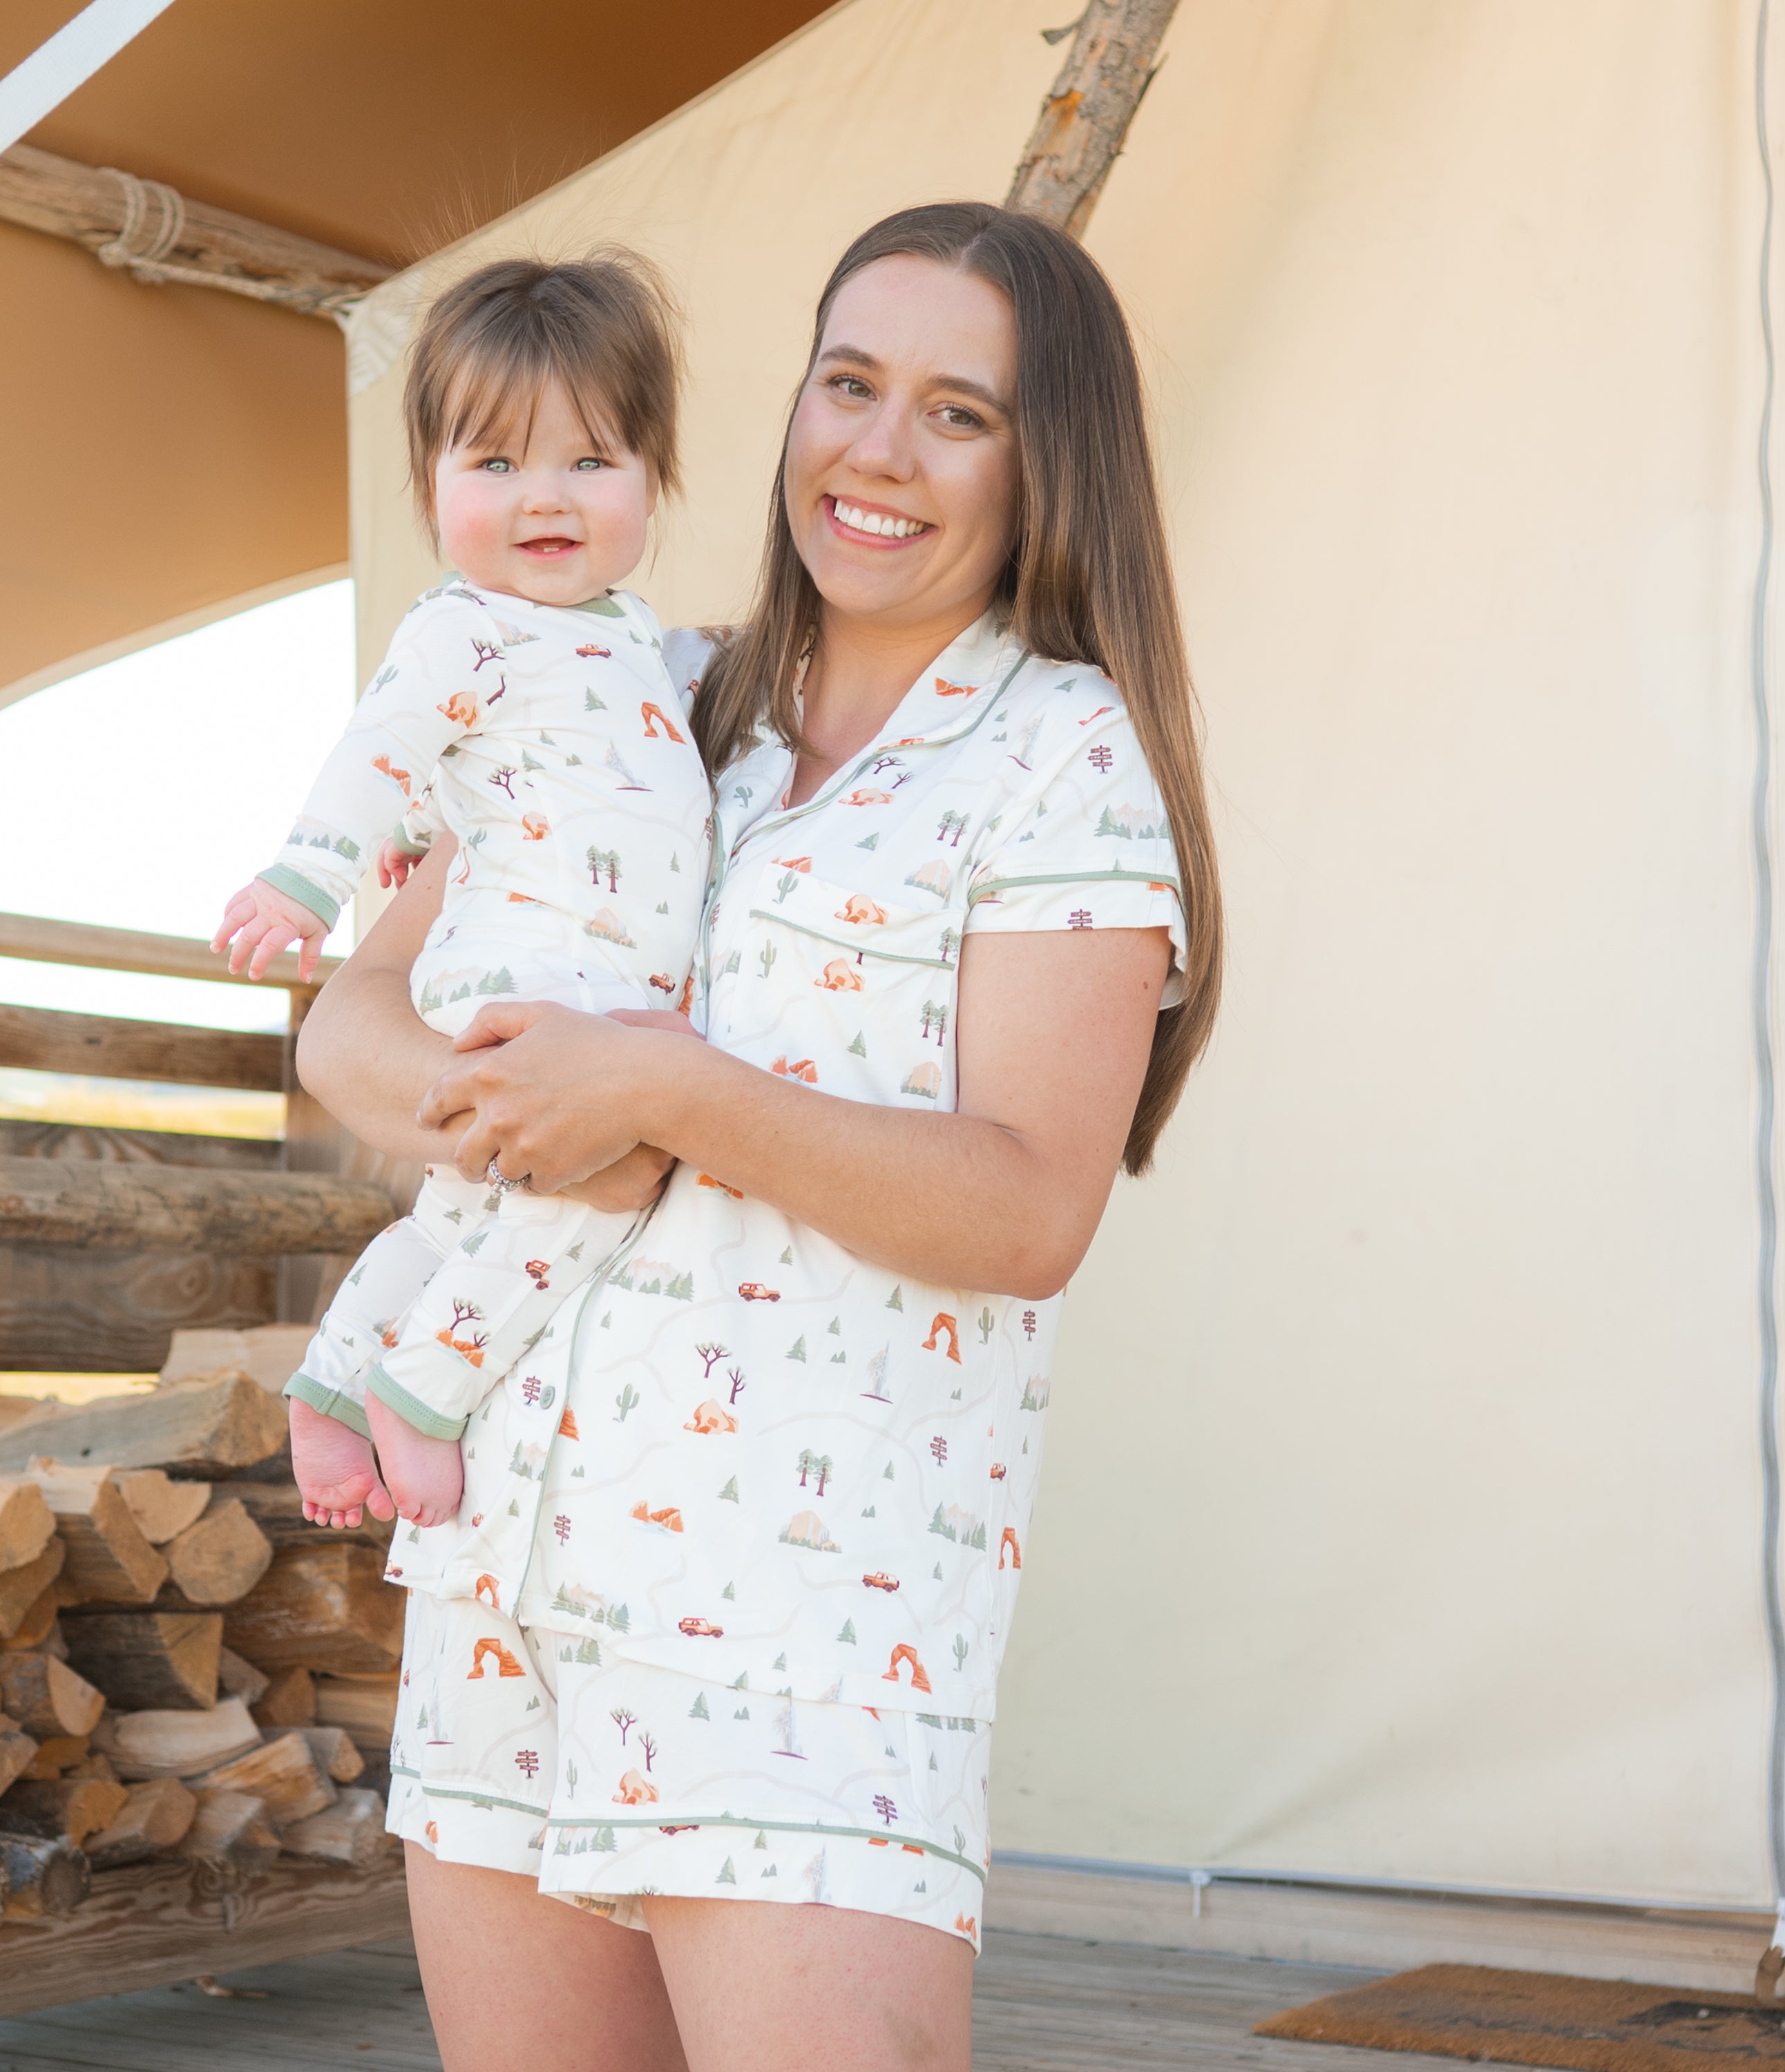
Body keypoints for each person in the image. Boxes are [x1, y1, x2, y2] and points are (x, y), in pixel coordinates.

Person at [298, 202, 1221, 2072]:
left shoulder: (1060, 760)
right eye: (849, 383)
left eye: (959, 412)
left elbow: (1032, 1205)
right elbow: (351, 1022)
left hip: (804, 1634)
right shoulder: (628, 688)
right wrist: (521, 1120)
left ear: (1055, 464)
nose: (878, 450)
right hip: (509, 1593)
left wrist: (666, 1095)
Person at [210, 252, 714, 1535]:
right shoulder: (465, 626)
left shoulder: (628, 640)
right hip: (545, 976)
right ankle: (426, 1390)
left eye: (591, 460)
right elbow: (381, 742)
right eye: (494, 464)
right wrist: (309, 877)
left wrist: (432, 816)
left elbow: (518, 765)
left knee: (460, 1206)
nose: (544, 496)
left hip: (561, 967)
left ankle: (330, 1382)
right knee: (610, 1173)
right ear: (430, 487)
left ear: (655, 476)